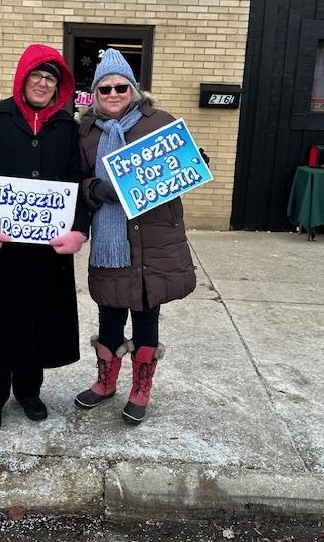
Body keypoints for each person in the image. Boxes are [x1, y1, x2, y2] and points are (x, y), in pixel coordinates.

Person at [0, 43, 89, 432]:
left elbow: (77, 180)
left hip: (46, 245)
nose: (43, 83)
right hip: (0, 243)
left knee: (37, 317)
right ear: (23, 77)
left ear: (59, 87)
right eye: (37, 75)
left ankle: (29, 390)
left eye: (50, 78)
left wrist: (78, 228)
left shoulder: (67, 127)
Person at [75, 49, 197, 425]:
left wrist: (194, 160)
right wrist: (94, 189)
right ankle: (105, 383)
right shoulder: (86, 131)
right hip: (110, 244)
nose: (113, 94)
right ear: (95, 93)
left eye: (121, 87)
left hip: (152, 242)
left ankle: (140, 389)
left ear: (134, 89)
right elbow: (75, 179)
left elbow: (180, 163)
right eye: (105, 88)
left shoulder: (159, 122)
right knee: (110, 316)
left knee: (146, 317)